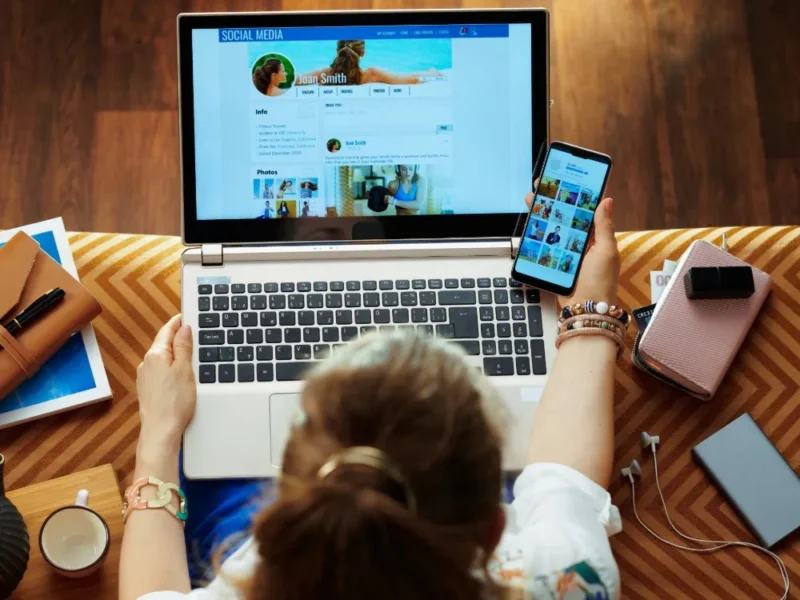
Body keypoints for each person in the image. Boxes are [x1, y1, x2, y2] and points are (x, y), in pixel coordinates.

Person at [120, 192, 623, 600]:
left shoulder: (249, 574)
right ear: (494, 529)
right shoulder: (567, 579)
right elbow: (565, 480)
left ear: (277, 509)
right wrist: (588, 313)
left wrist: (159, 438)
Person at [295, 40, 443, 87]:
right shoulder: (371, 74)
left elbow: (296, 79)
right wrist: (430, 74)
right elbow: (408, 79)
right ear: (363, 53)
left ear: (337, 51)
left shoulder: (325, 73)